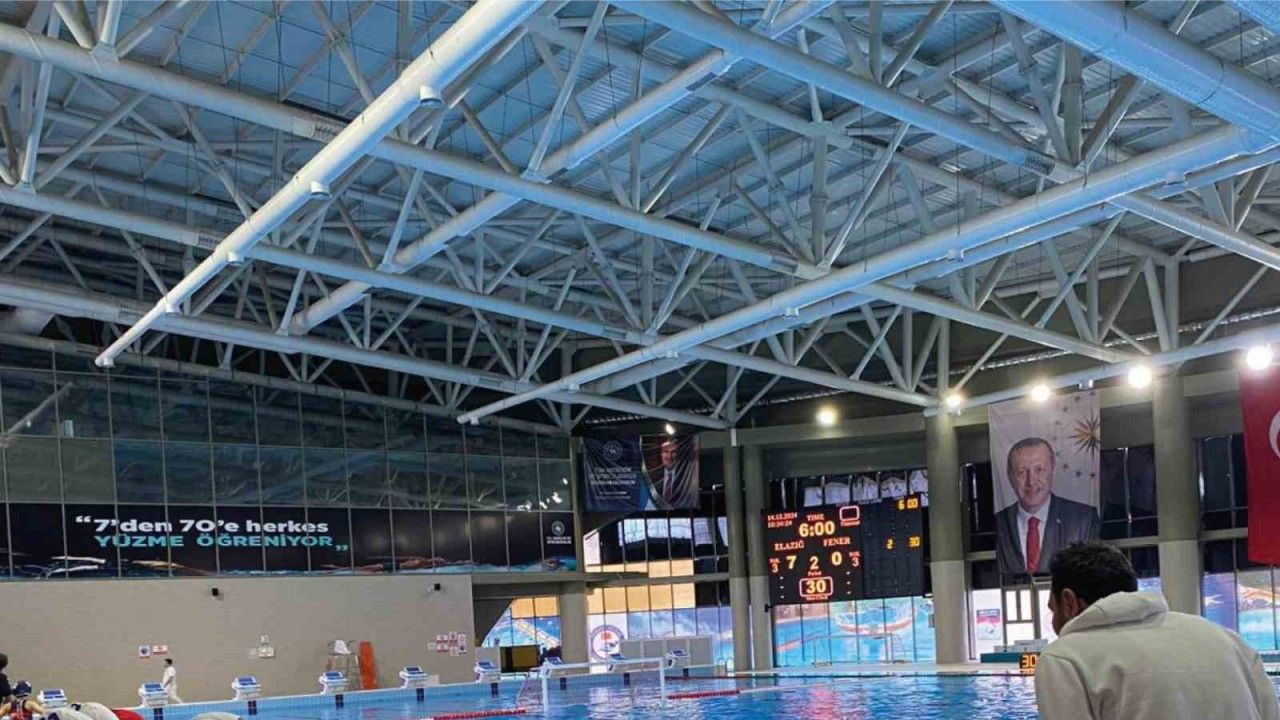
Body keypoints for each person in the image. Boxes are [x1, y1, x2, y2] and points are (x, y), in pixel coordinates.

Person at [1036, 541, 1280, 720]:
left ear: (1069, 602)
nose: (1054, 621)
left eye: (1052, 609)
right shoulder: (1229, 641)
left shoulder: (1065, 659)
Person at [996, 437, 1099, 576]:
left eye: (1039, 470)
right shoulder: (998, 524)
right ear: (1010, 477)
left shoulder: (1083, 520)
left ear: (1053, 470)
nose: (1031, 481)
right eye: (1021, 472)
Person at [646, 438, 695, 509]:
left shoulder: (686, 476)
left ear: (678, 454)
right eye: (666, 452)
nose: (670, 456)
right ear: (661, 454)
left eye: (673, 452)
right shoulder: (652, 477)